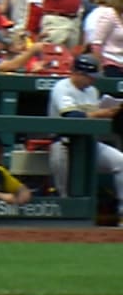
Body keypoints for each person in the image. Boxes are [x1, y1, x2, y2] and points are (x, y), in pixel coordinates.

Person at [47, 55, 123, 226]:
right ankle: (64, 222)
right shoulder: (62, 88)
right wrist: (103, 114)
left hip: (90, 143)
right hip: (64, 144)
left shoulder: (92, 91)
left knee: (120, 162)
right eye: (90, 77)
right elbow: (72, 116)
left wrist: (114, 113)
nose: (92, 81)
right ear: (78, 73)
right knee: (65, 192)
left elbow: (94, 117)